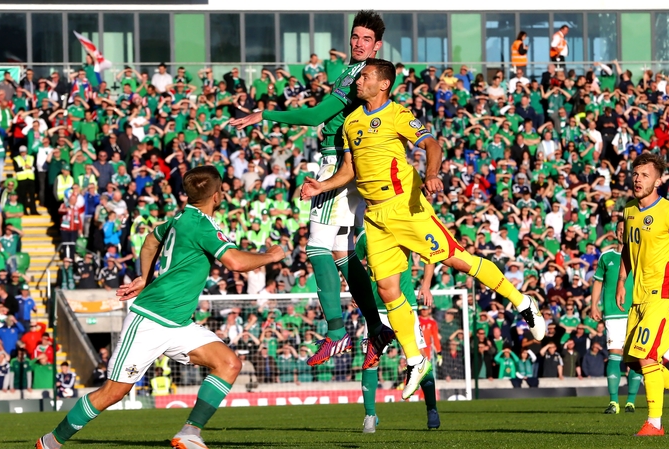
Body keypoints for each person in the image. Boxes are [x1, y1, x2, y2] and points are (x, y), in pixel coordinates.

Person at [301, 58, 545, 400]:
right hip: (375, 216)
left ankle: (522, 301)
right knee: (387, 290)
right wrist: (320, 187)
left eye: (366, 76)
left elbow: (433, 145)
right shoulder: (352, 121)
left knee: (458, 260)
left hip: (406, 206)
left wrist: (432, 173)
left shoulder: (399, 114)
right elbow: (348, 171)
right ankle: (415, 359)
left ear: (383, 84)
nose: (359, 80)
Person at [35, 166, 286, 449]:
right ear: (217, 196)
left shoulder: (180, 219)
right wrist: (271, 255)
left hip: (178, 322)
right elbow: (237, 263)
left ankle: (189, 433)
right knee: (113, 393)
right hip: (150, 320)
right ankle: (51, 441)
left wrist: (145, 277)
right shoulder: (201, 226)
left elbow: (150, 240)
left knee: (229, 363)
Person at [229, 11, 387, 368]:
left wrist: (265, 114)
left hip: (337, 163)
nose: (359, 43)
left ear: (377, 45)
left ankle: (335, 333)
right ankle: (375, 326)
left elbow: (316, 116)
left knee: (316, 247)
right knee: (342, 251)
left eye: (366, 39)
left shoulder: (361, 76)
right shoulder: (355, 73)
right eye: (355, 36)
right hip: (351, 163)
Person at [617, 152, 669, 437]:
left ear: (657, 180)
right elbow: (629, 249)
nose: (638, 179)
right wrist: (621, 280)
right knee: (636, 363)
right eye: (636, 174)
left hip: (664, 296)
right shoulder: (629, 210)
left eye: (645, 175)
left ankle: (654, 424)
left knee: (645, 356)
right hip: (638, 297)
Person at [354, 231, 440, 433]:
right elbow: (352, 264)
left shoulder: (403, 227)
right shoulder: (365, 235)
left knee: (420, 359)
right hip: (375, 308)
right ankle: (370, 415)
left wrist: (426, 285)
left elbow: (430, 253)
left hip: (405, 304)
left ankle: (432, 409)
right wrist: (356, 290)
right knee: (371, 360)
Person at [590, 220, 641, 414]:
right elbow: (597, 283)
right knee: (614, 354)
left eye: (625, 230)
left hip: (635, 311)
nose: (622, 232)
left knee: (635, 356)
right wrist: (594, 305)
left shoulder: (638, 256)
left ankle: (631, 402)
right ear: (615, 233)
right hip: (612, 312)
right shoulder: (607, 256)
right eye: (619, 230)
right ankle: (613, 402)